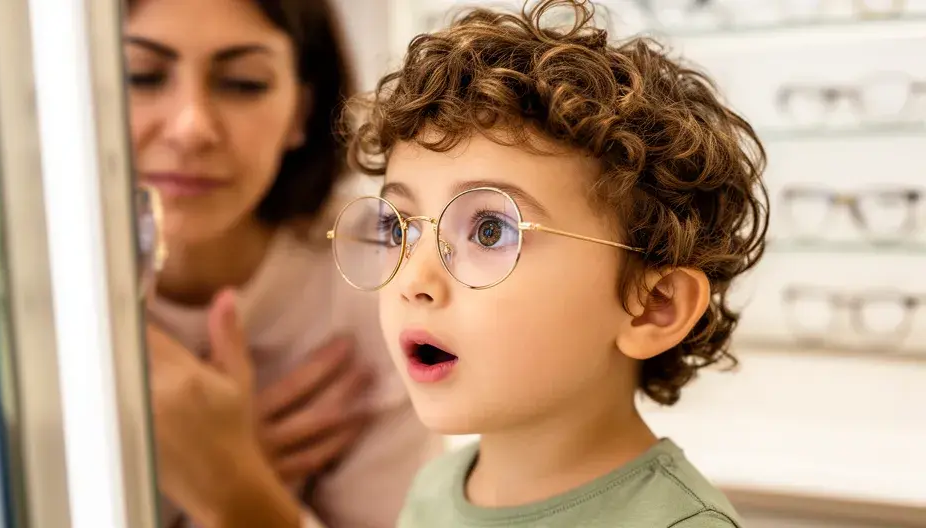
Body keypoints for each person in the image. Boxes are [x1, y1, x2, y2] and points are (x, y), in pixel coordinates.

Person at [330, 0, 769, 526]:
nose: (414, 281)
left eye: (489, 230)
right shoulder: (433, 490)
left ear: (654, 306)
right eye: (397, 226)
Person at [122, 0, 439, 526]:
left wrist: (233, 488)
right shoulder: (37, 286)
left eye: (243, 83)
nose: (191, 127)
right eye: (142, 76)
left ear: (301, 112)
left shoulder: (379, 278)